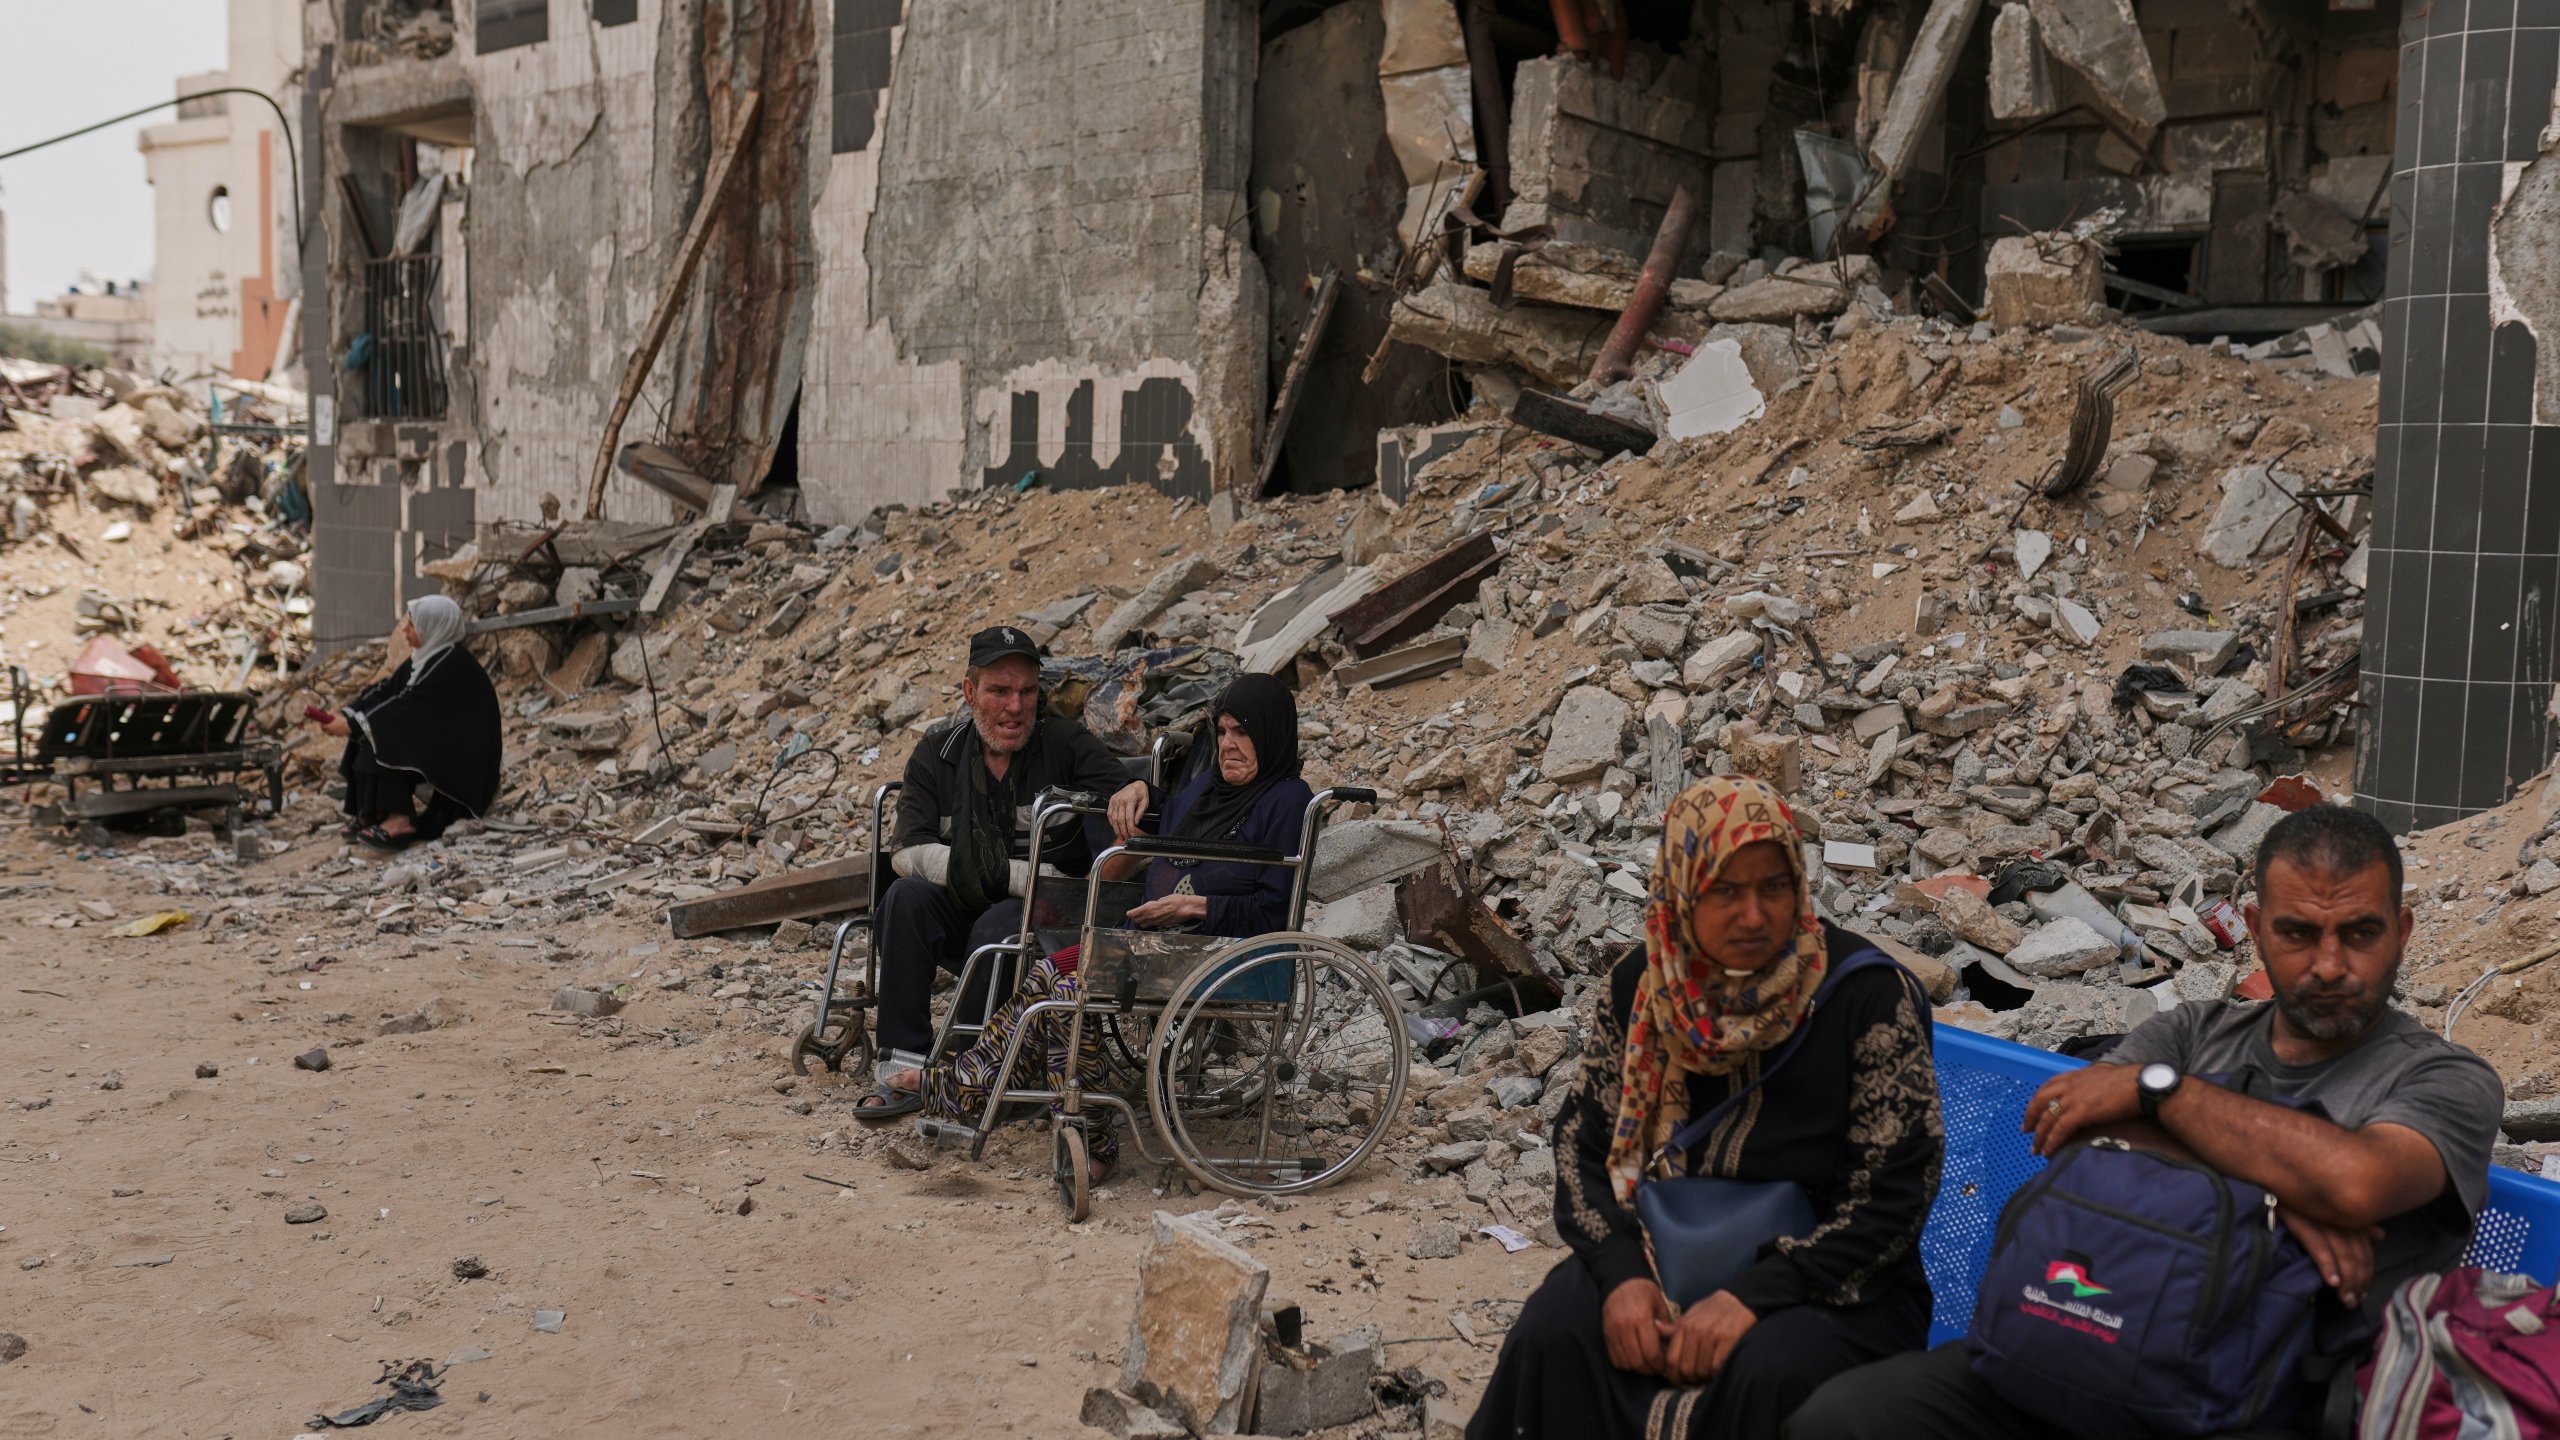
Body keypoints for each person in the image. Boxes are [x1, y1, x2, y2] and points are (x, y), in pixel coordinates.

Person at [1787, 804, 2507, 1440]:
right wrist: (2281, 1194)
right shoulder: (2195, 1032)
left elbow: (2355, 1180)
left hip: (2254, 1402)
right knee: (1844, 1418)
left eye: (2359, 933)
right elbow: (2070, 1122)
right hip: (2076, 1348)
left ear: (2404, 930)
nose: (2328, 964)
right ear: (2254, 929)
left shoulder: (2444, 1079)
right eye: (2297, 933)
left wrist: (2154, 1098)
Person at [1469, 776, 1945, 1440]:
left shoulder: (1866, 996)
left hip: (1834, 1281)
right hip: (1660, 1251)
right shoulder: (1642, 987)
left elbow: (1893, 1197)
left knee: (1770, 1373)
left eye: (1773, 887)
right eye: (1725, 890)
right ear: (1681, 889)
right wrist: (1623, 1276)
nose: (1753, 915)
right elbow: (1584, 1146)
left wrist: (1752, 1297)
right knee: (1555, 1330)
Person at [893, 673, 1317, 1177]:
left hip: (1224, 954)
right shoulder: (1212, 788)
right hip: (1163, 943)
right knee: (1050, 975)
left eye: (1242, 733)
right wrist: (1140, 789)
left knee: (1070, 987)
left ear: (1269, 735)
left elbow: (1275, 910)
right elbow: (1170, 810)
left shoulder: (1287, 799)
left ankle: (1086, 1140)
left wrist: (1194, 907)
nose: (1228, 745)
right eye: (1222, 732)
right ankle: (976, 1088)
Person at [855, 625, 1142, 1121]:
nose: (1015, 707)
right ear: (970, 692)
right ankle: (900, 1064)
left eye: (1027, 692)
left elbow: (1133, 801)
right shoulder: (937, 754)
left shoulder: (1066, 745)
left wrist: (1136, 787)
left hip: (1042, 922)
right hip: (973, 905)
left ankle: (973, 1077)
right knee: (904, 899)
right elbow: (907, 852)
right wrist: (1025, 874)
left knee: (1002, 924)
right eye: (999, 691)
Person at [317, 595, 501, 850]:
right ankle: (373, 812)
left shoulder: (452, 663)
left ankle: (400, 820)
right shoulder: (427, 656)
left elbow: (407, 706)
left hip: (466, 762)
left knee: (387, 732)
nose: (404, 628)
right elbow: (386, 690)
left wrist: (353, 724)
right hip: (443, 745)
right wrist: (348, 713)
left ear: (434, 628)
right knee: (369, 732)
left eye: (412, 624)